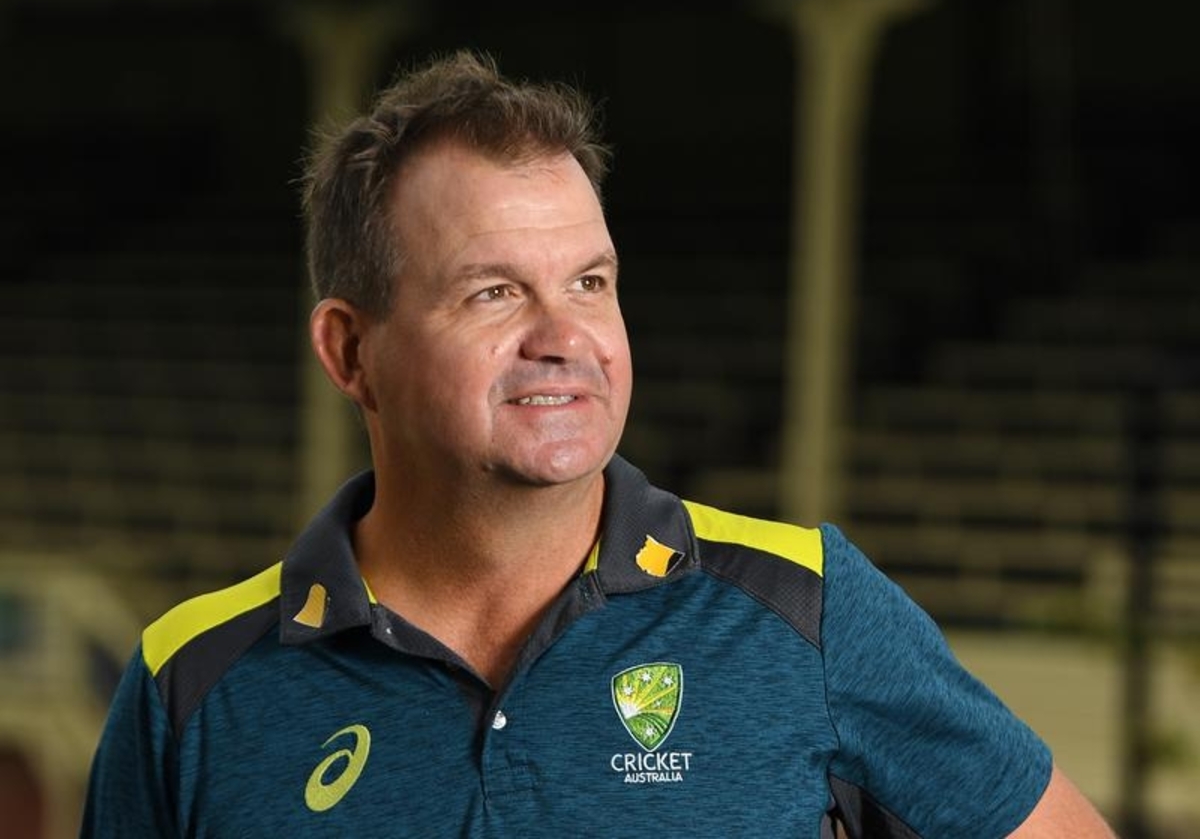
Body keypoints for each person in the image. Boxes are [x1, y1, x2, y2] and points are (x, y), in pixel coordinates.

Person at [80, 50, 1116, 838]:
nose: (564, 337)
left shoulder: (807, 610)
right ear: (351, 351)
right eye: (495, 292)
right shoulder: (191, 682)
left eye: (589, 282)